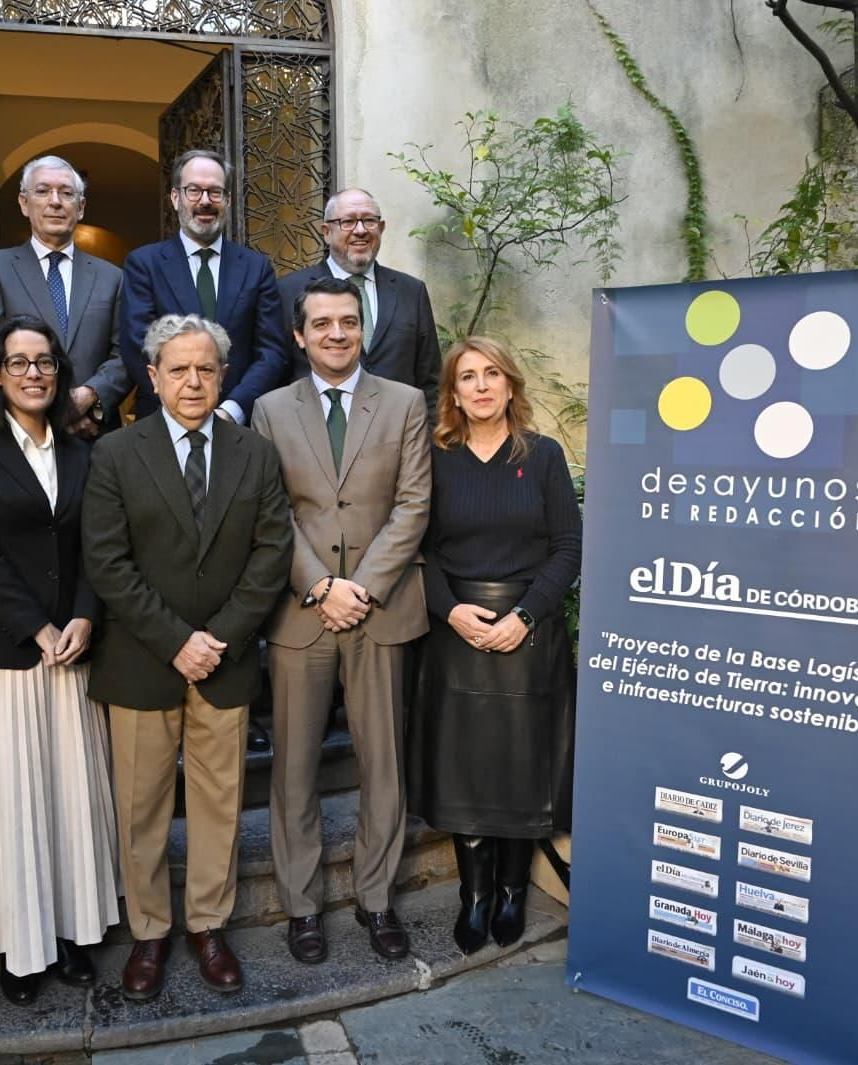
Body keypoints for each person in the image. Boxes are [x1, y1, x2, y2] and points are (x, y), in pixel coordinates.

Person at [82, 314, 293, 1002]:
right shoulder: (115, 453)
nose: (193, 380)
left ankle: (208, 924)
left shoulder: (255, 453)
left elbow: (270, 556)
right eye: (179, 369)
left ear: (222, 375)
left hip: (225, 662)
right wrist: (176, 639)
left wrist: (218, 638)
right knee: (140, 807)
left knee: (217, 803)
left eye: (206, 368)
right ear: (153, 376)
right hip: (143, 660)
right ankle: (149, 930)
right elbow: (108, 563)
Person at [0, 315, 120, 1006]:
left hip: (71, 649)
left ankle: (72, 931)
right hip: (0, 653)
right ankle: (21, 946)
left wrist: (81, 615)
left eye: (44, 361)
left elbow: (97, 544)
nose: (34, 373)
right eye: (19, 362)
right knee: (12, 799)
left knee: (67, 796)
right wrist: (35, 627)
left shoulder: (81, 446)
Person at [251, 277, 430, 964]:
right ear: (299, 335)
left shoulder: (406, 403)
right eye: (320, 322)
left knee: (382, 761)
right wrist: (321, 585)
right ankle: (302, 907)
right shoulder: (269, 410)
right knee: (293, 767)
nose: (335, 333)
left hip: (380, 610)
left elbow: (413, 505)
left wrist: (362, 587)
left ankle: (376, 897)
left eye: (347, 322)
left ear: (362, 330)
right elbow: (273, 511)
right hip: (302, 611)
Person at [407, 335, 581, 955]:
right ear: (452, 393)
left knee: (518, 765)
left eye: (491, 374)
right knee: (467, 768)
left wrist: (526, 616)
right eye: (466, 377)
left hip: (528, 633)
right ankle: (474, 896)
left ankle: (512, 891)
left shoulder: (544, 457)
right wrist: (451, 611)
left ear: (510, 384)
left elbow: (567, 546)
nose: (480, 386)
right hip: (456, 631)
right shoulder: (435, 458)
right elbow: (416, 548)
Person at [119, 149, 287, 424]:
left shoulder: (257, 268)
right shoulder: (144, 264)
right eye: (194, 191)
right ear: (176, 198)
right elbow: (137, 346)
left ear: (228, 200)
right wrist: (182, 402)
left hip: (237, 423)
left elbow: (271, 352)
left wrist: (232, 409)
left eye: (215, 192)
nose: (205, 201)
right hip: (164, 421)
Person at [0, 156, 128, 437]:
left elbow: (125, 353)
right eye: (42, 191)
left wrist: (90, 398)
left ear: (80, 207)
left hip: (93, 434)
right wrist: (46, 411)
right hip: (19, 433)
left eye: (66, 193)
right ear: (23, 203)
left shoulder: (112, 277)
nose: (55, 201)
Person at [279, 188, 441, 411]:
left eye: (369, 221)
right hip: (318, 431)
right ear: (326, 232)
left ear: (381, 228)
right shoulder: (289, 291)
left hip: (399, 434)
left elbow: (431, 381)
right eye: (348, 222)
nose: (360, 230)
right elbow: (277, 373)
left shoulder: (411, 291)